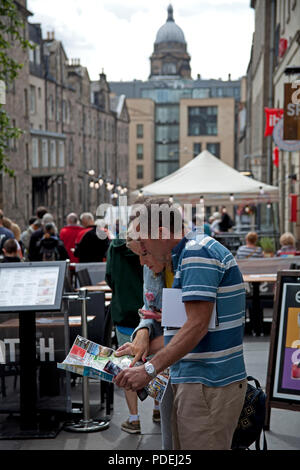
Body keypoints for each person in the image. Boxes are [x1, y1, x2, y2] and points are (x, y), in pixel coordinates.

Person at [114, 198, 247, 450]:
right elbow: (185, 328)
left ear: (162, 233)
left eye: (144, 248)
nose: (143, 260)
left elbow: (196, 326)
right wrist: (144, 346)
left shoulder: (197, 252)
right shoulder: (190, 252)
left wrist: (149, 369)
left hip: (207, 384)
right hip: (198, 381)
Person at [126, 235, 174, 450]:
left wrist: (145, 360)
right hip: (170, 364)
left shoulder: (188, 263)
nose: (142, 262)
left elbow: (193, 328)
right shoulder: (155, 264)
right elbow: (150, 305)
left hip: (195, 370)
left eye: (144, 253)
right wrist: (143, 330)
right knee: (170, 440)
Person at [105, 233, 144, 434]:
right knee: (156, 362)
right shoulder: (149, 243)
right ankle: (158, 410)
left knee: (127, 364)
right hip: (148, 310)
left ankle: (134, 418)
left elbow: (109, 276)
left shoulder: (115, 246)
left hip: (124, 311)